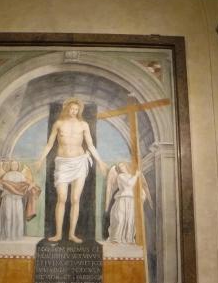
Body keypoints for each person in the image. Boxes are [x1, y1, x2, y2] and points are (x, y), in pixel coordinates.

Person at [36, 98, 107, 243]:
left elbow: (90, 145)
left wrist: (100, 161)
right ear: (66, 108)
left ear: (79, 110)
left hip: (79, 162)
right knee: (62, 198)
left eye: (76, 109)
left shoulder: (83, 125)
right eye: (71, 108)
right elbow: (49, 145)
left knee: (75, 199)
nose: (73, 111)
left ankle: (72, 234)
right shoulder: (58, 124)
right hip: (62, 164)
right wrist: (40, 159)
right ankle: (58, 234)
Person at [105, 162, 140, 244]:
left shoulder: (131, 176)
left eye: (122, 166)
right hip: (122, 198)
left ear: (126, 166)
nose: (121, 168)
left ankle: (129, 238)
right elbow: (129, 184)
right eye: (119, 167)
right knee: (120, 219)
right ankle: (116, 238)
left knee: (130, 220)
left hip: (131, 199)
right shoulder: (120, 176)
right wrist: (136, 175)